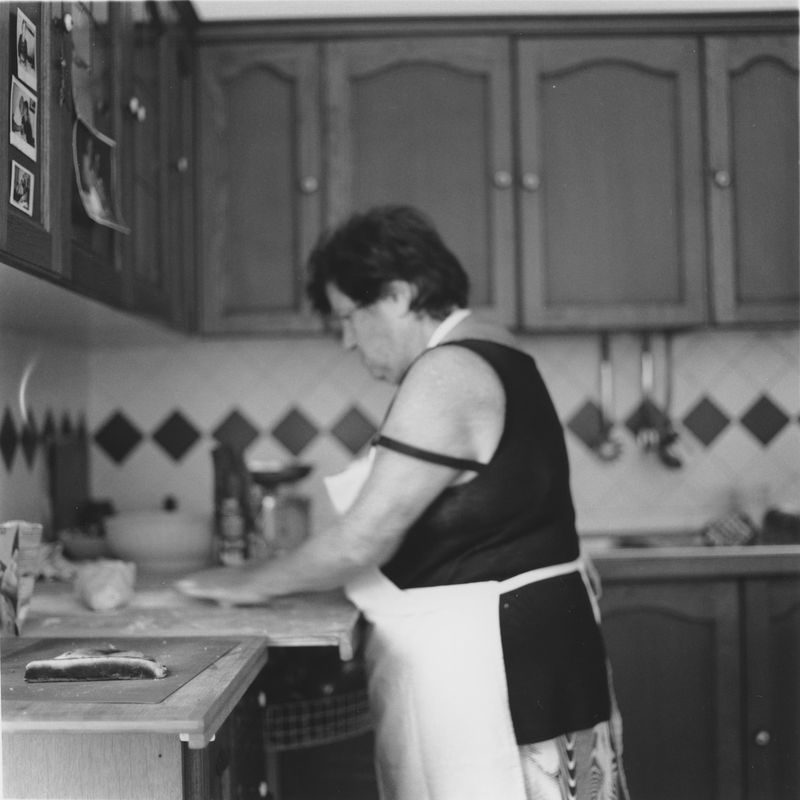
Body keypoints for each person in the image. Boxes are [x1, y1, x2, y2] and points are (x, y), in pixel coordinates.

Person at [179, 205, 628, 800]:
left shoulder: (449, 371)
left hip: (489, 674)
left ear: (396, 295)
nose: (345, 341)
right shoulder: (492, 347)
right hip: (529, 649)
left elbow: (363, 538)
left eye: (347, 317)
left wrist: (239, 583)